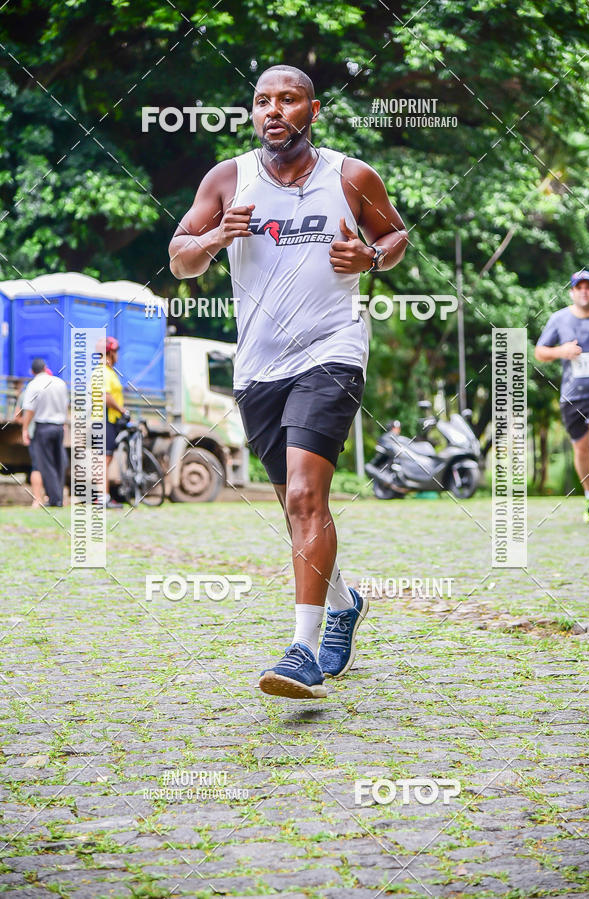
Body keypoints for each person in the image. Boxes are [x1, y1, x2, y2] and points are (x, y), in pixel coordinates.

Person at [169, 65, 408, 698]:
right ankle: (344, 603)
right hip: (258, 367)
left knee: (305, 496)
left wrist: (371, 256)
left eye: (288, 99)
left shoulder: (351, 176)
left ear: (313, 110)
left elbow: (394, 234)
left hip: (332, 350)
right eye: (262, 101)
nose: (273, 110)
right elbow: (180, 259)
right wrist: (217, 235)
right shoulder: (228, 179)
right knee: (294, 505)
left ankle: (303, 649)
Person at [534, 270, 589, 522]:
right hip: (573, 397)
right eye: (579, 287)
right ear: (572, 292)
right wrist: (562, 351)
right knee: (581, 451)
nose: (584, 291)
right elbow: (540, 352)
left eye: (588, 287)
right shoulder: (559, 319)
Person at [20, 358, 68, 507]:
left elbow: (29, 410)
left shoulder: (33, 385)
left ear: (32, 371)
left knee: (45, 464)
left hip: (43, 427)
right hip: (59, 426)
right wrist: (63, 423)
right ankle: (58, 497)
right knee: (59, 462)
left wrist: (25, 429)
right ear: (45, 368)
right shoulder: (59, 383)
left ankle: (55, 499)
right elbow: (65, 405)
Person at [91, 336, 126, 509]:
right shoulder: (103, 372)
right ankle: (103, 497)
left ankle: (103, 496)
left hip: (109, 420)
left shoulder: (108, 371)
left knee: (106, 458)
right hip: (103, 420)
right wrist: (122, 410)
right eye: (116, 352)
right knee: (104, 459)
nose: (117, 355)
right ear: (110, 353)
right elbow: (106, 396)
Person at [14, 377, 44, 507]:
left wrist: (26, 425)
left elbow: (17, 417)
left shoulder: (25, 394)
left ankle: (37, 499)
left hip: (34, 434)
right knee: (47, 466)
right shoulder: (46, 392)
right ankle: (46, 498)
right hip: (48, 432)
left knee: (37, 466)